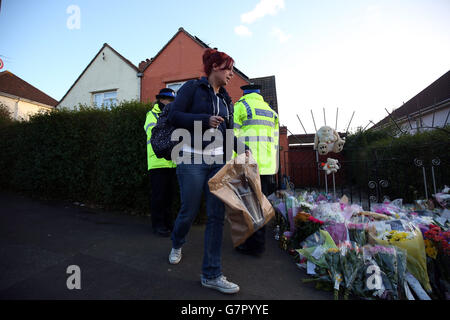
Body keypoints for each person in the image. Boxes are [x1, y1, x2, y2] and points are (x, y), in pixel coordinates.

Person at [167, 48, 249, 294]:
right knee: (189, 210)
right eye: (229, 69)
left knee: (216, 216)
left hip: (218, 161)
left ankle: (211, 274)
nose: (232, 74)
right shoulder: (192, 88)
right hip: (191, 158)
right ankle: (177, 242)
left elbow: (229, 130)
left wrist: (243, 149)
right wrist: (204, 119)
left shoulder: (226, 99)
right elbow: (174, 115)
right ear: (215, 66)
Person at [233, 84, 279, 256]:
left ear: (244, 92)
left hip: (247, 165)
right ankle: (257, 244)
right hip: (266, 167)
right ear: (259, 94)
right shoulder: (271, 112)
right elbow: (275, 143)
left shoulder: (241, 107)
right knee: (259, 207)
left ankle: (254, 246)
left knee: (247, 207)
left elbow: (233, 138)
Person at [144, 88, 177, 237]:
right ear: (160, 99)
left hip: (172, 162)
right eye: (167, 100)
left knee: (169, 196)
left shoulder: (173, 115)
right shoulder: (152, 115)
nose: (169, 103)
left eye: (172, 101)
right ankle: (158, 225)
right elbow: (154, 134)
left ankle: (169, 224)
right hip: (157, 162)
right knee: (159, 196)